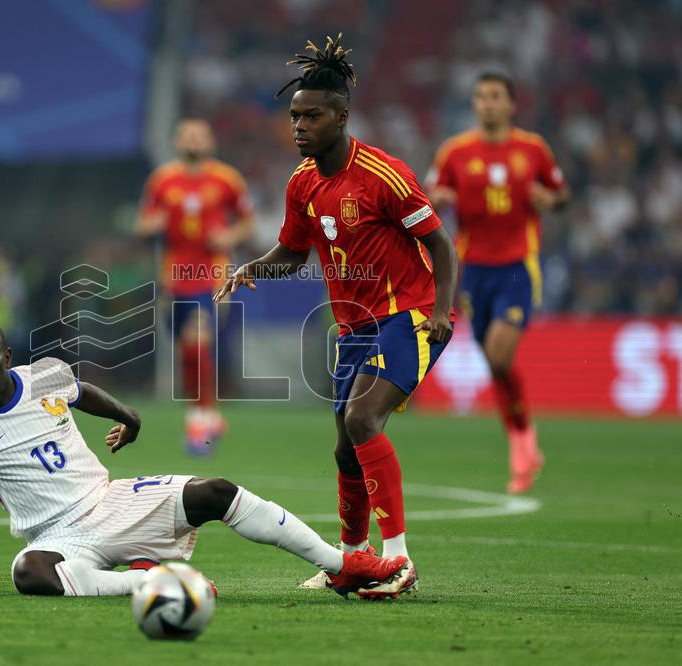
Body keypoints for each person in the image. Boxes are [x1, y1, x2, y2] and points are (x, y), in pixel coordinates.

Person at [0, 319, 412, 598]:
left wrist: (128, 418)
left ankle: (343, 565)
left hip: (111, 501)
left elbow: (82, 390)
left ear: (6, 355)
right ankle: (152, 583)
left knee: (217, 491)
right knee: (28, 574)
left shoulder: (44, 375)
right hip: (57, 535)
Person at [214, 34, 458, 598]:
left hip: (410, 314)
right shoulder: (302, 182)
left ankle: (397, 561)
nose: (299, 126)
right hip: (353, 326)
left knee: (361, 420)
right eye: (294, 117)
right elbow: (294, 253)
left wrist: (441, 310)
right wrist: (251, 268)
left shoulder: (385, 175)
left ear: (342, 116)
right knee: (346, 447)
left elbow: (441, 245)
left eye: (312, 116)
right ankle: (354, 560)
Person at [425, 72, 569, 494]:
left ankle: (522, 440)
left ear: (511, 104)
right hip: (474, 270)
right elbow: (428, 194)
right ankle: (521, 435)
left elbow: (563, 194)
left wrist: (551, 200)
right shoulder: (455, 151)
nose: (487, 103)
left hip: (517, 267)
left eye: (495, 96)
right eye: (481, 96)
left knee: (499, 356)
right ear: (475, 104)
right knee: (494, 362)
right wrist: (441, 199)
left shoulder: (532, 149)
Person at [136, 119, 255, 454]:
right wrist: (152, 225)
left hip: (212, 275)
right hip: (174, 277)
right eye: (187, 135)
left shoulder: (226, 179)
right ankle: (206, 412)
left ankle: (199, 416)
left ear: (210, 140)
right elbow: (142, 223)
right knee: (187, 350)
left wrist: (229, 236)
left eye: (199, 135)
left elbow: (247, 221)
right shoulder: (162, 180)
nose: (193, 140)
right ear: (177, 141)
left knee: (198, 338)